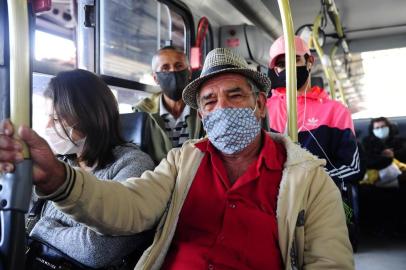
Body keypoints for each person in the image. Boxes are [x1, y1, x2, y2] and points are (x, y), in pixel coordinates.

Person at [0, 48, 354, 269]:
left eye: (235, 95)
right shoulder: (183, 162)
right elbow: (130, 205)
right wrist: (60, 181)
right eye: (210, 101)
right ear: (201, 113)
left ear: (260, 105)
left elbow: (329, 262)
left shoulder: (307, 179)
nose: (223, 108)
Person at [26, 69, 155, 268]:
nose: (48, 126)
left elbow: (96, 250)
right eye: (48, 117)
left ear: (88, 117)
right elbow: (22, 219)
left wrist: (44, 228)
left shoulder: (133, 165)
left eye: (57, 119)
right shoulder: (62, 163)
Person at [266, 35, 363, 186]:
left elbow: (351, 167)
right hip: (275, 200)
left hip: (323, 199)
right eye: (281, 64)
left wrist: (307, 182)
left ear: (310, 62)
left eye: (294, 60)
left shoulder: (336, 111)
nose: (288, 69)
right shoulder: (264, 110)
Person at [133, 46, 204, 164]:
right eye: (165, 68)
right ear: (155, 78)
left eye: (179, 66)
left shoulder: (204, 108)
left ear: (189, 72)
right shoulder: (142, 114)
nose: (173, 72)